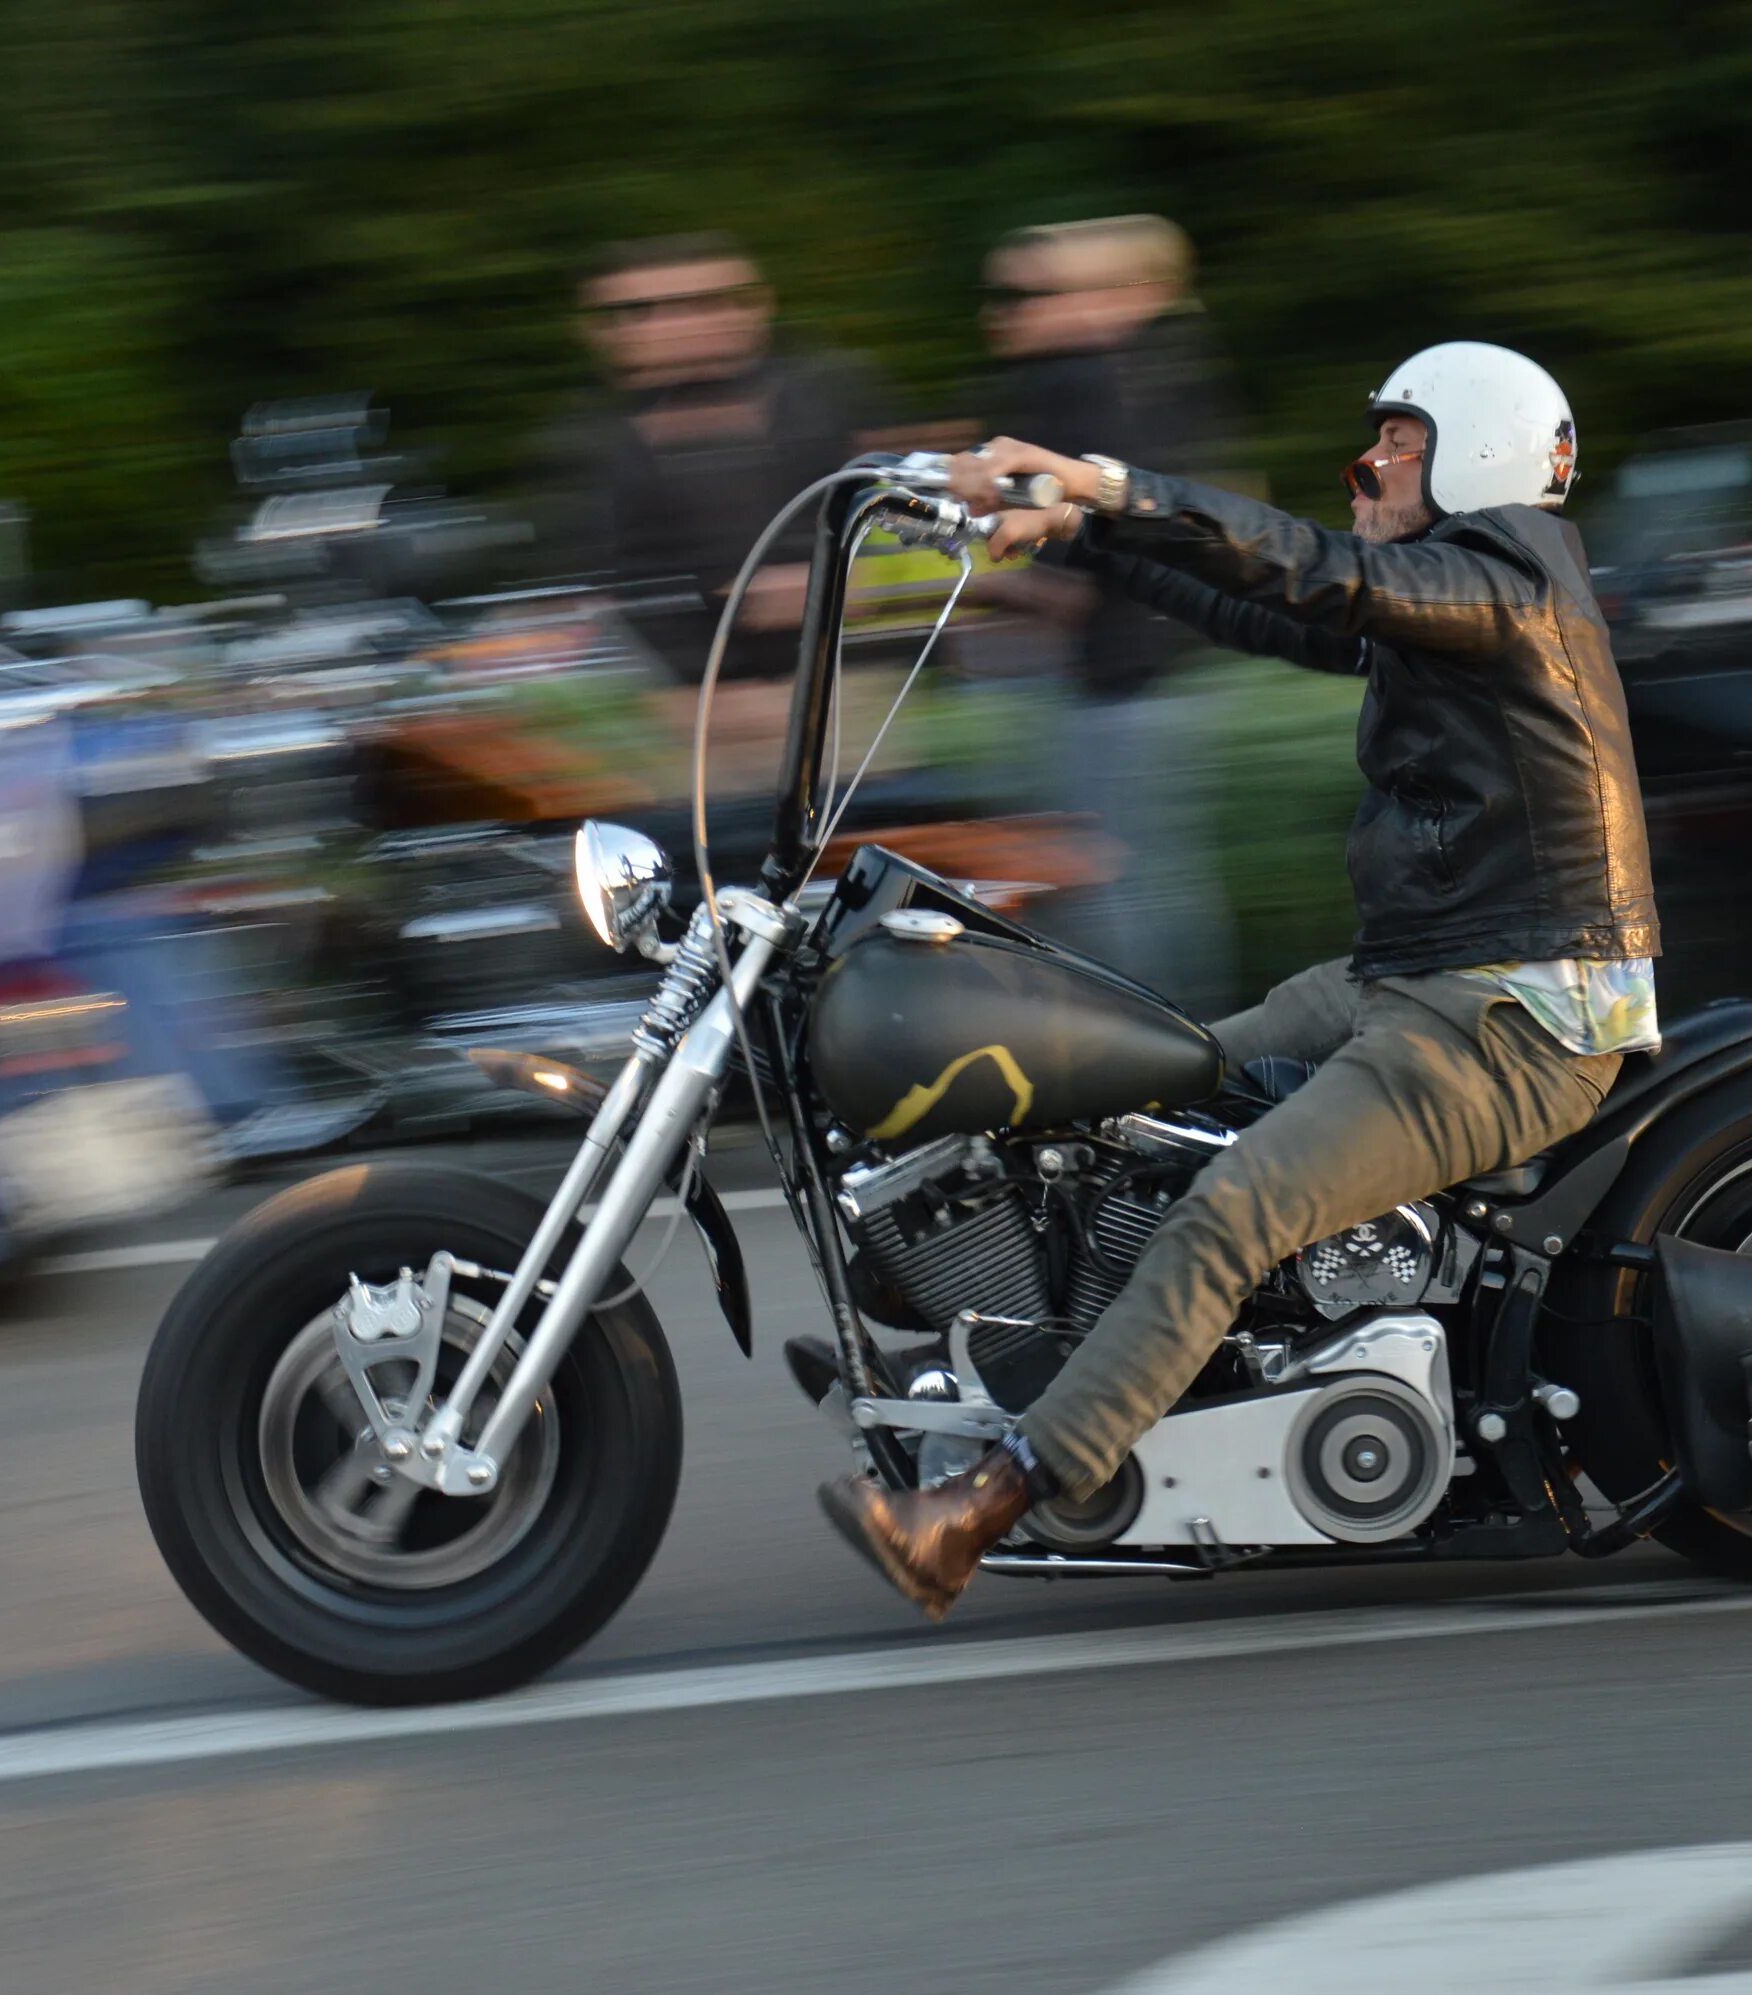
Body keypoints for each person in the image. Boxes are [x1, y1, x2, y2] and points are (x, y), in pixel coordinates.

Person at [817, 342, 1664, 1618]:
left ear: (1478, 448)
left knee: (1232, 1206)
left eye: (1400, 436)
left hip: (1515, 1021)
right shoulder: (1450, 606)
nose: (1369, 460)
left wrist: (1107, 483)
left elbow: (1315, 573)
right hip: (1418, 980)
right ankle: (1010, 1341)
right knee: (1142, 1083)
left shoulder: (1511, 583)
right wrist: (1073, 539)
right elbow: (1260, 604)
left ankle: (990, 1500)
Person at [963, 216, 1245, 1012]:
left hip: (1121, 677)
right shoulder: (1164, 369)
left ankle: (1169, 1055)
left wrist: (1006, 584)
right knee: (1139, 872)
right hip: (1147, 667)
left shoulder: (1098, 382)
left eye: (1033, 294)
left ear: (1131, 293)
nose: (1007, 313)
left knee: (1117, 877)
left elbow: (1104, 535)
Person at [533, 233, 883, 693]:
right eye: (642, 311)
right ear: (601, 330)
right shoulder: (582, 446)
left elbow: (937, 524)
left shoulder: (834, 396)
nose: (680, 324)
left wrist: (857, 579)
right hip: (693, 704)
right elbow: (586, 588)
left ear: (759, 306)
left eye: (710, 302)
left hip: (872, 683)